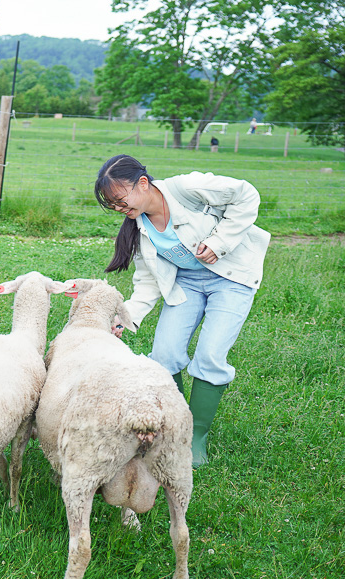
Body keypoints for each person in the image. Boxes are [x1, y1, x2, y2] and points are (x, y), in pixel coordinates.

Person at [94, 154, 270, 467]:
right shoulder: (140, 229)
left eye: (120, 200)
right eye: (113, 206)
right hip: (186, 284)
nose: (120, 210)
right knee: (164, 355)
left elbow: (247, 195)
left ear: (144, 184)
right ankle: (177, 427)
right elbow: (147, 282)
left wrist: (220, 242)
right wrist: (125, 316)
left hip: (231, 278)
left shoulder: (188, 188)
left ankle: (197, 434)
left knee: (210, 355)